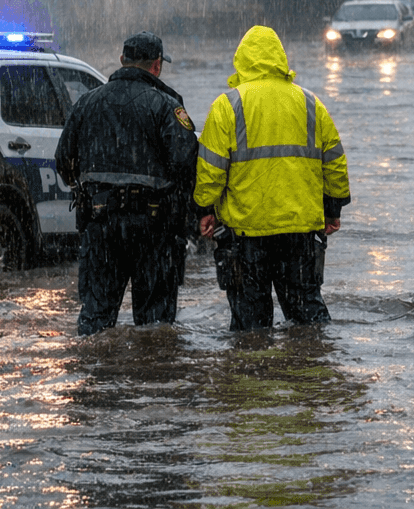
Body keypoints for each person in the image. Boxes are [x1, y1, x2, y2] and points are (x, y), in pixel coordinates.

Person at [194, 25, 350, 331]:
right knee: (308, 320)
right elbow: (334, 162)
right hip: (299, 232)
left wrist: (205, 210)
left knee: (251, 325)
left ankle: (254, 375)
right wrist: (333, 210)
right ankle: (315, 374)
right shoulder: (310, 104)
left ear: (241, 59)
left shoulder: (227, 106)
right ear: (281, 58)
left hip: (246, 234)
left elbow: (210, 171)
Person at [55, 31, 198, 335]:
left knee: (95, 320)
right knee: (155, 325)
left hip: (100, 223)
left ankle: (96, 376)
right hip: (155, 228)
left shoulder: (87, 102)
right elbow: (186, 164)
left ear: (122, 60)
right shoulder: (167, 105)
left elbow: (64, 161)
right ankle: (148, 375)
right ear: (157, 65)